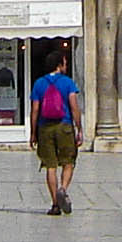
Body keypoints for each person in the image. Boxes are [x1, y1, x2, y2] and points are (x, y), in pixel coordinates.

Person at [27, 50, 83, 216]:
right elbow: (74, 107)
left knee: (50, 166)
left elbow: (35, 110)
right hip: (64, 126)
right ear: (59, 65)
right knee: (68, 162)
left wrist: (33, 132)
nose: (66, 65)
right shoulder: (68, 82)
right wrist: (79, 128)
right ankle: (63, 189)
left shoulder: (39, 83)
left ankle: (55, 205)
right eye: (64, 63)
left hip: (45, 127)